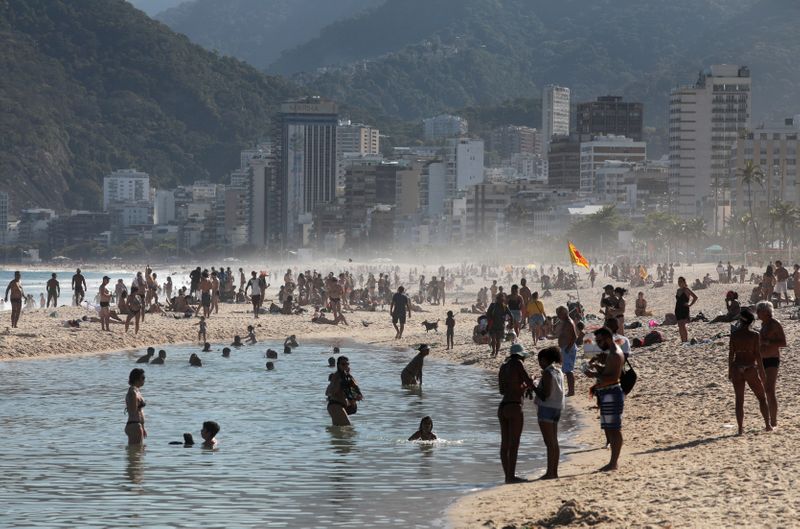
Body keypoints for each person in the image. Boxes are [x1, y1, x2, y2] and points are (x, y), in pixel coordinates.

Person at [585, 327, 624, 471]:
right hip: (608, 392)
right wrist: (597, 367)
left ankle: (613, 463)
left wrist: (594, 375)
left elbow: (613, 378)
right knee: (610, 429)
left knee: (614, 429)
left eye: (599, 341)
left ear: (607, 339)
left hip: (611, 392)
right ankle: (612, 462)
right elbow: (609, 372)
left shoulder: (615, 354)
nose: (598, 344)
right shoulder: (611, 353)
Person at [728, 308, 771, 434]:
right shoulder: (754, 335)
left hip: (737, 368)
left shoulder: (734, 335)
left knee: (739, 400)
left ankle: (740, 429)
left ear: (741, 321)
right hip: (750, 368)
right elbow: (757, 355)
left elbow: (731, 354)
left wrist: (729, 371)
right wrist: (762, 372)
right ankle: (767, 425)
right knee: (761, 398)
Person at [497, 343, 534, 484]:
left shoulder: (503, 367)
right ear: (520, 355)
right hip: (515, 406)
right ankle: (511, 476)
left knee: (504, 444)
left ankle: (507, 476)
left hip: (503, 407)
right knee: (514, 444)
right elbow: (529, 382)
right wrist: (528, 384)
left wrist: (520, 386)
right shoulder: (518, 363)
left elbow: (502, 390)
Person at [532, 346, 565, 479]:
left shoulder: (547, 372)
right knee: (554, 441)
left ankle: (550, 472)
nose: (539, 363)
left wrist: (532, 385)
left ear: (544, 360)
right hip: (557, 408)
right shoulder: (558, 371)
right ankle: (553, 471)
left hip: (546, 408)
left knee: (549, 443)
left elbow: (545, 394)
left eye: (540, 361)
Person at [756, 301, 785, 428]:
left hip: (772, 359)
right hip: (762, 359)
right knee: (765, 390)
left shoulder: (775, 324)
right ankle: (769, 421)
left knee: (770, 389)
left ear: (766, 312)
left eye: (759, 311)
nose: (757, 313)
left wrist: (768, 342)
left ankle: (773, 421)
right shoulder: (763, 325)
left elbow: (783, 342)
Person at [325, 356, 363, 427]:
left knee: (339, 430)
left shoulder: (347, 377)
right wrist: (337, 386)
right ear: (338, 365)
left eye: (347, 364)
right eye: (343, 364)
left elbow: (353, 391)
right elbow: (328, 392)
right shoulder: (336, 376)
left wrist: (357, 396)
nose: (346, 366)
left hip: (339, 406)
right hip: (335, 405)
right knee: (348, 428)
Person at [556, 306, 577, 396]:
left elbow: (575, 336)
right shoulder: (565, 322)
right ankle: (570, 391)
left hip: (568, 348)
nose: (558, 316)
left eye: (559, 314)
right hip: (566, 347)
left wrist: (568, 347)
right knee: (567, 370)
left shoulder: (568, 322)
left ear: (564, 313)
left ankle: (571, 391)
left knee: (569, 371)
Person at [125, 368, 147, 445]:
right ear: (136, 379)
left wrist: (143, 427)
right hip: (134, 425)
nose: (144, 380)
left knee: (137, 450)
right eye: (143, 378)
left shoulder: (137, 391)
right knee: (136, 451)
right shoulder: (132, 392)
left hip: (136, 425)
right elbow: (133, 410)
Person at [487, 293, 512, 358]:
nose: (501, 300)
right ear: (497, 299)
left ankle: (496, 352)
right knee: (493, 339)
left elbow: (511, 315)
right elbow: (488, 314)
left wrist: (511, 323)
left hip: (500, 326)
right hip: (493, 325)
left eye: (502, 299)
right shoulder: (492, 305)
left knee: (498, 340)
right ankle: (493, 351)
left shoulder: (505, 307)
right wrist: (489, 320)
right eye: (499, 299)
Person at [675, 277, 698, 343]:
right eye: (678, 281)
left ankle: (685, 340)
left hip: (684, 309)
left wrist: (690, 304)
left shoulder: (686, 290)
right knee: (680, 325)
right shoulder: (678, 290)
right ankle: (682, 340)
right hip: (677, 309)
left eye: (681, 281)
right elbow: (678, 300)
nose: (679, 283)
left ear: (684, 282)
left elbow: (695, 297)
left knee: (683, 325)